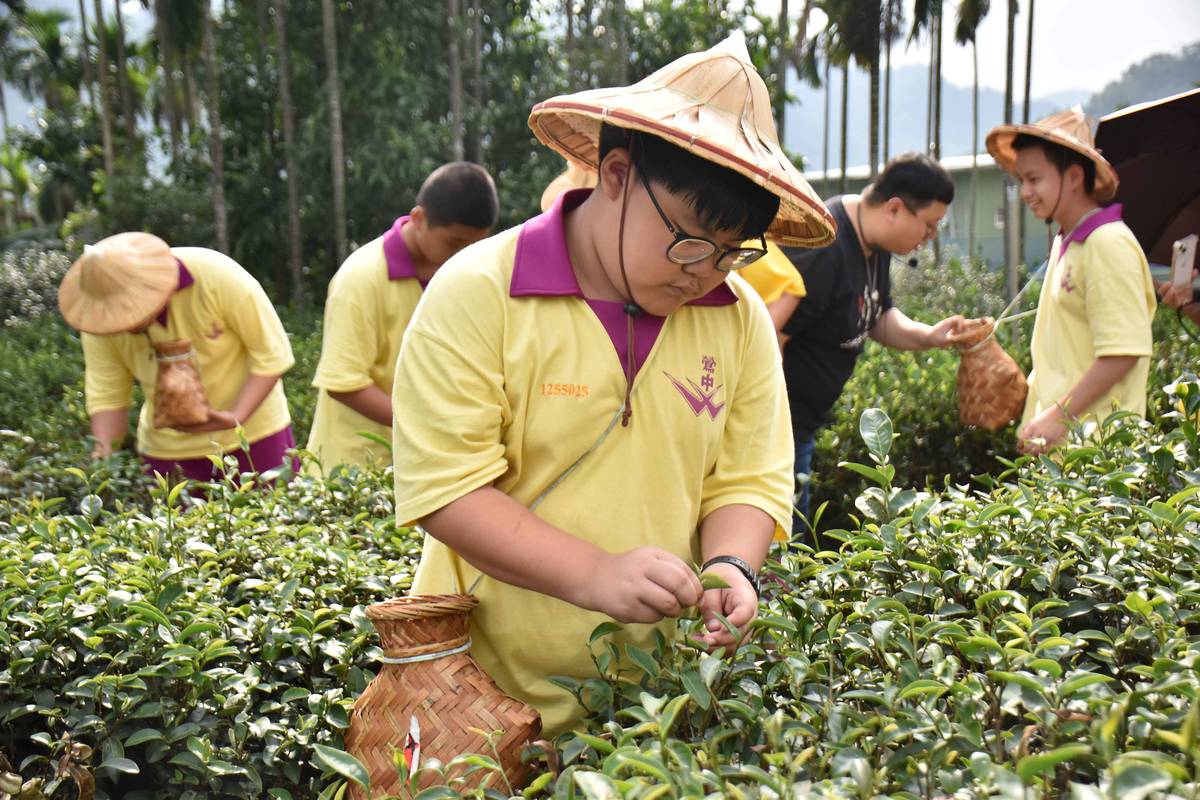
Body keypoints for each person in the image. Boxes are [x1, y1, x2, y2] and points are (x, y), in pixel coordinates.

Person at [389, 34, 835, 736]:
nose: (703, 271)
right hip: (476, 700)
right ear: (618, 173)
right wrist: (595, 574)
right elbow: (448, 489)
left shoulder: (739, 316)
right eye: (688, 239)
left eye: (731, 252)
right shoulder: (480, 293)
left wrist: (731, 567)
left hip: (657, 705)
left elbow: (749, 477)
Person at [778, 153, 967, 527]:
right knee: (784, 546)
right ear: (895, 208)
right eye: (928, 227)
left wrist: (929, 336)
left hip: (802, 427)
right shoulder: (824, 248)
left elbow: (878, 316)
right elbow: (769, 336)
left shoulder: (873, 245)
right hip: (778, 432)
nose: (927, 240)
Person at [305, 162, 498, 471]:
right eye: (454, 243)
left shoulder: (467, 275)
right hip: (354, 470)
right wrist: (425, 425)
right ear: (419, 219)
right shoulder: (361, 278)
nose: (466, 254)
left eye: (477, 244)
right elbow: (343, 383)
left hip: (426, 465)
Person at [58, 232, 296, 480]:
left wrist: (236, 416)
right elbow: (109, 397)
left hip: (255, 436)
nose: (125, 324)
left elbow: (271, 353)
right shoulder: (100, 318)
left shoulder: (216, 275)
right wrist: (102, 467)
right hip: (166, 451)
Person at [986, 107, 1155, 455]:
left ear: (1074, 176)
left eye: (1034, 179)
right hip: (1063, 451)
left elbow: (1122, 351)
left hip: (1099, 455)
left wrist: (1055, 416)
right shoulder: (1068, 240)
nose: (1026, 192)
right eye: (1022, 181)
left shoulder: (1107, 244)